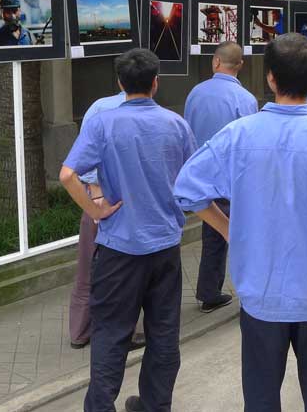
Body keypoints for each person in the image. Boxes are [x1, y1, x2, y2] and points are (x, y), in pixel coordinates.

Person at [173, 33, 307, 411]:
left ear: (270, 78)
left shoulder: (238, 135)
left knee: (261, 400)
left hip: (261, 294)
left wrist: (229, 230)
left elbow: (186, 189)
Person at [60, 49, 197, 412]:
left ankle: (100, 407)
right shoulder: (176, 124)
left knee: (110, 334)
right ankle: (155, 405)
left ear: (120, 83)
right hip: (165, 247)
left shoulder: (103, 123)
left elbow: (68, 175)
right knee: (164, 334)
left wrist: (95, 210)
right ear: (156, 83)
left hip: (119, 249)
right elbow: (192, 180)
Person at [183, 41, 258, 313]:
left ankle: (209, 291)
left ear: (215, 62)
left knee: (213, 234)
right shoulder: (246, 100)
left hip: (200, 177)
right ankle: (246, 291)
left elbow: (187, 132)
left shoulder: (195, 93)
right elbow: (250, 145)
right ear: (241, 65)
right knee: (241, 235)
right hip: (232, 180)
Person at [68, 88, 127, 350]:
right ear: (154, 82)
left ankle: (79, 331)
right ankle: (121, 332)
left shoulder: (99, 107)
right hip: (121, 203)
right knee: (123, 270)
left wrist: (93, 192)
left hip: (96, 200)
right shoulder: (150, 114)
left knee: (87, 266)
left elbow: (81, 158)